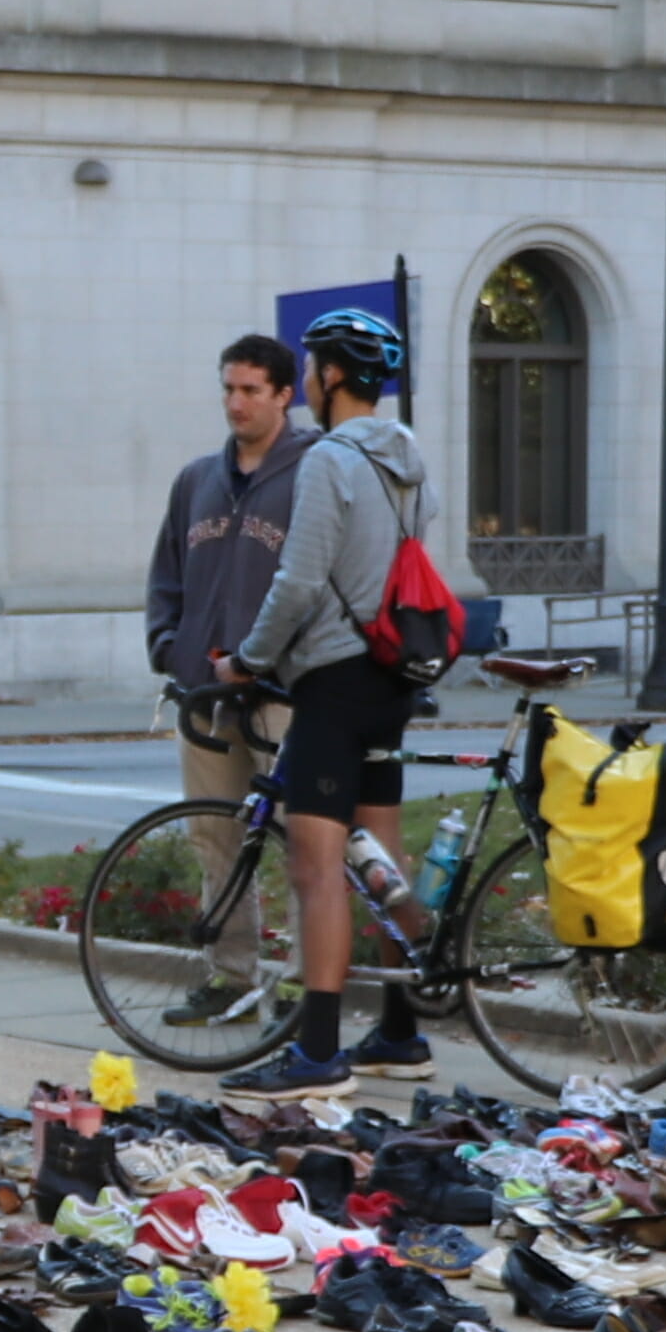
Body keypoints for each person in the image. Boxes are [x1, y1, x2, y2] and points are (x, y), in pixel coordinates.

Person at [221, 305, 436, 1090]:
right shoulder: (408, 454)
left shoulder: (328, 460)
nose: (308, 380)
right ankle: (401, 1033)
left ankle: (317, 1054)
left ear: (333, 375)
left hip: (335, 678)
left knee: (318, 870)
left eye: (312, 368)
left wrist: (249, 659)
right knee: (381, 855)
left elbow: (300, 580)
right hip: (392, 675)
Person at [143, 334, 308, 807]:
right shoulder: (197, 480)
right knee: (211, 836)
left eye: (251, 391)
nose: (236, 404)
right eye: (229, 389)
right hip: (204, 693)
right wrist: (170, 647)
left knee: (292, 832)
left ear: (283, 395)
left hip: (280, 695)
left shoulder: (313, 472)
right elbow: (166, 573)